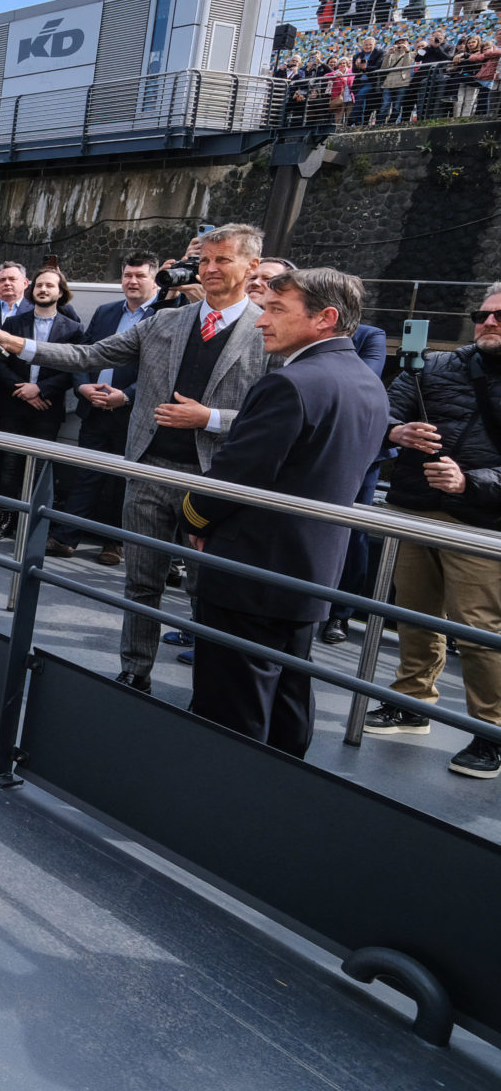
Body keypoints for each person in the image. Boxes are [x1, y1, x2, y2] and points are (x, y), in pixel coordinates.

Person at [0, 224, 268, 692]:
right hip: (145, 470)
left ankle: (213, 687)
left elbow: (271, 415)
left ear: (251, 267)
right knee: (140, 582)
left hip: (214, 480)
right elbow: (90, 353)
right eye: (204, 260)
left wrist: (208, 418)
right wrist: (14, 342)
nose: (208, 270)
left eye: (222, 260)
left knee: (208, 590)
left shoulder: (267, 332)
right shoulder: (166, 321)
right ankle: (135, 672)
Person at [180, 268, 389, 756]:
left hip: (250, 570)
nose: (260, 321)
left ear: (325, 318)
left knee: (231, 710)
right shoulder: (365, 382)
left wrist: (193, 520)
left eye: (276, 310)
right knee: (288, 701)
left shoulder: (290, 384)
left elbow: (233, 477)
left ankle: (225, 814)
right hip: (311, 571)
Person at [362, 282, 501, 778]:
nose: (487, 323)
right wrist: (395, 432)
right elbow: (376, 411)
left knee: (479, 630)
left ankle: (492, 732)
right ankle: (411, 703)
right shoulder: (437, 366)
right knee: (414, 614)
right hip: (416, 505)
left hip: (483, 522)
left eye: (498, 317)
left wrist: (471, 483)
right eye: (482, 315)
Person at [55, 253, 159, 563]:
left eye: (140, 275)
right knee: (86, 474)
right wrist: (82, 386)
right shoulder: (106, 312)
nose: (132, 281)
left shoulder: (167, 315)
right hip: (95, 408)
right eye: (127, 275)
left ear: (154, 279)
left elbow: (163, 371)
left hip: (133, 413)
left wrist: (126, 395)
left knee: (122, 481)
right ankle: (66, 537)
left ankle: (114, 543)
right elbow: (84, 352)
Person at [0, 267, 83, 541]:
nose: (43, 289)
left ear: (60, 292)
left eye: (50, 285)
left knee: (38, 469)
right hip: (13, 404)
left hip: (47, 409)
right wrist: (23, 389)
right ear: (32, 289)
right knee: (9, 466)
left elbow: (73, 368)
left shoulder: (73, 329)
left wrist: (40, 389)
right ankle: (2, 521)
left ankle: (30, 526)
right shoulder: (14, 324)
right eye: (39, 285)